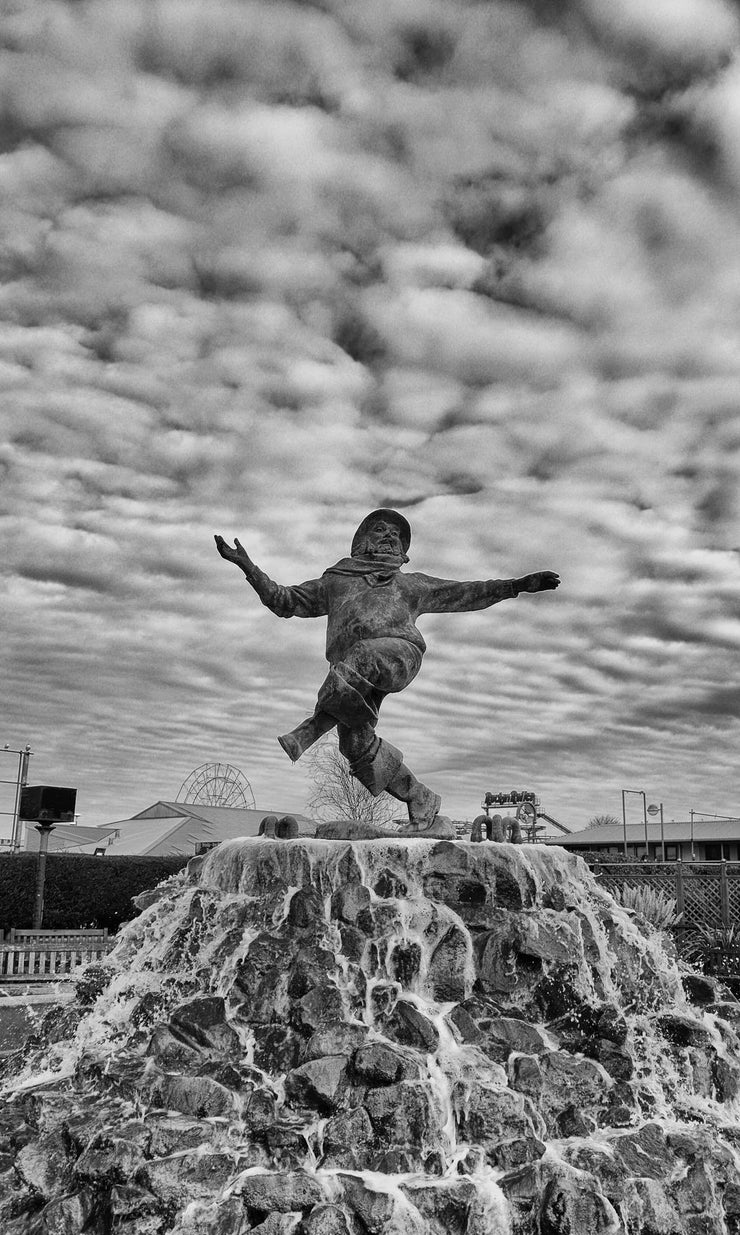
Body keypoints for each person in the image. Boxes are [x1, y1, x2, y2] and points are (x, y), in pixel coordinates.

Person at [215, 509, 559, 834]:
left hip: (398, 654)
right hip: (349, 676)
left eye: (396, 534)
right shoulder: (336, 581)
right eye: (381, 530)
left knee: (364, 654)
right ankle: (420, 798)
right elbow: (284, 601)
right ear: (362, 540)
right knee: (355, 746)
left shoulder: (410, 585)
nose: (390, 536)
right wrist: (248, 567)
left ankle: (310, 730)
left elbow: (468, 592)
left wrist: (518, 585)